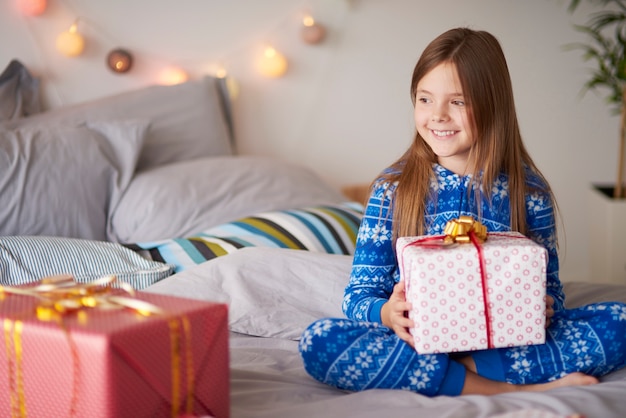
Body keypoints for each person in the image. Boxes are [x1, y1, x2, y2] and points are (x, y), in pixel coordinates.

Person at [298, 27, 626, 396]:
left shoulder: (528, 191)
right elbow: (358, 296)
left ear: (492, 105)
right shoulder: (392, 189)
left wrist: (543, 305)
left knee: (621, 322)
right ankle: (505, 389)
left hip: (503, 342)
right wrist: (388, 314)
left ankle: (457, 373)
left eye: (457, 102)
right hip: (415, 340)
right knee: (320, 340)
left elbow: (551, 292)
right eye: (425, 99)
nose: (437, 115)